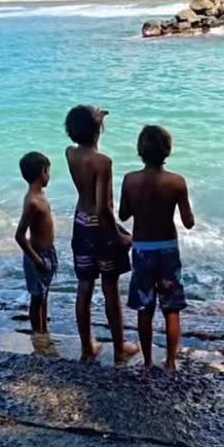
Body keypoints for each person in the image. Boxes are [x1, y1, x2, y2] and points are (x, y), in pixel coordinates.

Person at [65, 105, 139, 363]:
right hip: (101, 228)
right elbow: (103, 208)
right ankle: (119, 347)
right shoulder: (103, 162)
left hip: (80, 222)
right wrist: (119, 237)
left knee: (84, 286)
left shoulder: (70, 153)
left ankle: (87, 348)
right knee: (110, 287)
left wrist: (96, 119)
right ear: (98, 131)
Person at [119, 125, 194, 372]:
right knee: (171, 308)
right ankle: (171, 362)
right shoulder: (177, 182)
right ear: (167, 150)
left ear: (140, 151)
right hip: (168, 249)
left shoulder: (130, 180)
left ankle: (148, 361)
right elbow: (188, 222)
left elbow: (123, 214)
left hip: (142, 249)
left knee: (145, 308)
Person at [15, 152, 58, 337]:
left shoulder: (40, 195)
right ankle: (38, 335)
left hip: (47, 252)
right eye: (48, 171)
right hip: (37, 254)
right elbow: (19, 235)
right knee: (37, 298)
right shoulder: (32, 202)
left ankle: (43, 331)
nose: (49, 175)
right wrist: (35, 259)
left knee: (43, 295)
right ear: (43, 172)